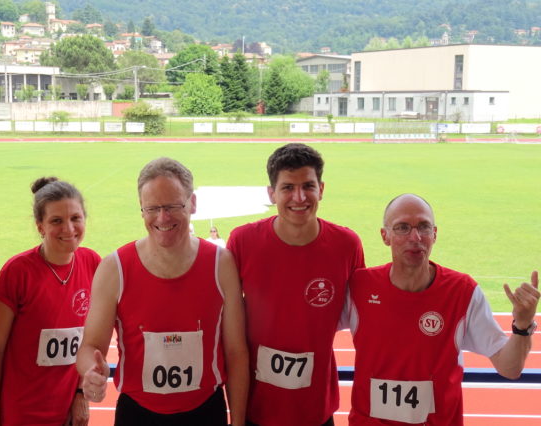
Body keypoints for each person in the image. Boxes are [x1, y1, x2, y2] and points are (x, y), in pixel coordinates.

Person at [77, 157, 249, 425]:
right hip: (138, 414)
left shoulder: (221, 264)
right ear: (141, 209)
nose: (162, 218)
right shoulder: (115, 269)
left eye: (172, 206)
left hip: (206, 411)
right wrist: (90, 371)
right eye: (152, 208)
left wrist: (238, 422)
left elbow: (236, 353)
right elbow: (90, 346)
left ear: (192, 204)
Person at [344, 193, 539, 425]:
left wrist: (523, 325)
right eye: (402, 228)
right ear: (385, 236)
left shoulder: (462, 292)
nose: (415, 237)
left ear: (435, 234)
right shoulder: (359, 287)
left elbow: (510, 368)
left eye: (424, 227)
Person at [227, 143, 365, 426]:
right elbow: (227, 327)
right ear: (271, 193)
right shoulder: (242, 242)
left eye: (308, 186)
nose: (299, 197)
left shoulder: (347, 245)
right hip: (257, 409)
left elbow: (363, 319)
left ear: (321, 189)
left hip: (316, 412)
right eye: (288, 187)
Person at [0, 177, 101, 426]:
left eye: (75, 218)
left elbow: (89, 340)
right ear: (40, 226)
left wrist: (81, 394)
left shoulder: (92, 263)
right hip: (21, 413)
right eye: (56, 221)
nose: (69, 229)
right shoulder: (18, 272)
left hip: (68, 412)